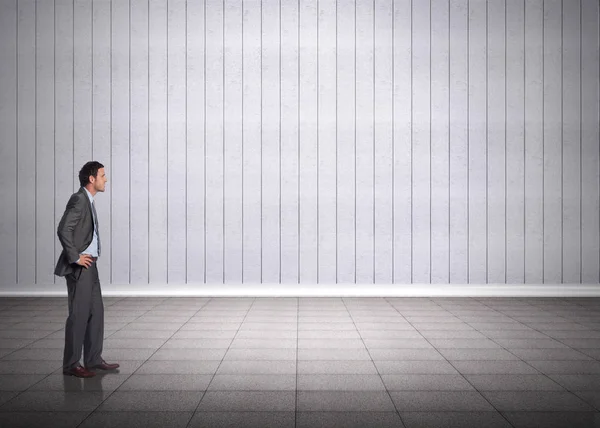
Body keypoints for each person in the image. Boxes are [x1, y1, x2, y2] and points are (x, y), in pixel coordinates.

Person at [54, 161, 119, 378]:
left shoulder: (88, 200)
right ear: (92, 179)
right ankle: (72, 364)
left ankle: (92, 359)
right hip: (80, 266)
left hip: (92, 264)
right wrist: (75, 257)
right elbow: (64, 229)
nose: (105, 179)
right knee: (79, 315)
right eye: (102, 175)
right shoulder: (79, 199)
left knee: (96, 313)